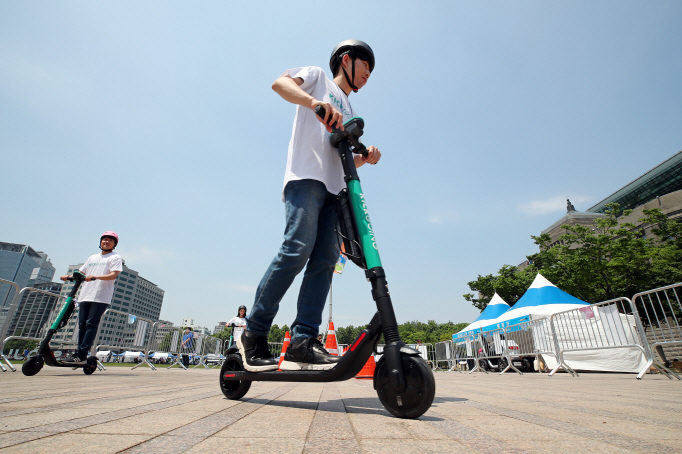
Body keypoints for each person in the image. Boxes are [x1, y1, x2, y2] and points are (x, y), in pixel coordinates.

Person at [238, 40, 381, 372]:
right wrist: (315, 102)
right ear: (347, 59)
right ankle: (254, 333)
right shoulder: (318, 78)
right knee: (296, 249)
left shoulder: (351, 110)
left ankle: (303, 340)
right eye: (366, 67)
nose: (368, 75)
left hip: (335, 191)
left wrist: (366, 157)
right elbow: (280, 84)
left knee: (325, 261)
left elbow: (340, 157)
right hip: (305, 178)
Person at [61, 231, 122, 365]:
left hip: (101, 296)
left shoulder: (115, 257)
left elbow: (113, 275)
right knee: (82, 325)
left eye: (110, 240)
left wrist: (95, 277)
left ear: (114, 244)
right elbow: (81, 272)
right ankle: (79, 353)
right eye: (104, 239)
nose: (107, 242)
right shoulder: (92, 257)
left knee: (91, 324)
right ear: (101, 242)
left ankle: (82, 353)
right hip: (86, 294)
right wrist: (69, 277)